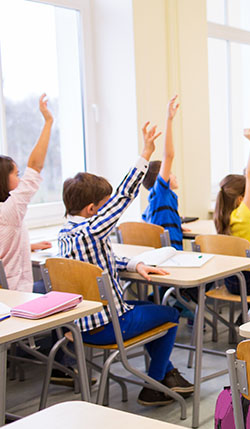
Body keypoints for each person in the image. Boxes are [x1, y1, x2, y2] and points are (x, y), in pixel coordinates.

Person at [59, 122, 193, 406]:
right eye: (104, 206)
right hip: (108, 325)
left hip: (78, 327)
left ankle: (165, 374)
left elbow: (98, 262)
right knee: (169, 315)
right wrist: (145, 152)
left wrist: (134, 264)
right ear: (93, 210)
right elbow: (123, 196)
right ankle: (154, 384)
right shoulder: (91, 230)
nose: (110, 210)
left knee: (149, 310)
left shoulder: (66, 235)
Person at [0, 94, 53, 293]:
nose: (21, 179)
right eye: (16, 174)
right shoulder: (9, 210)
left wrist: (26, 246)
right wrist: (48, 121)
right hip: (17, 294)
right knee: (60, 286)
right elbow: (35, 166)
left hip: (5, 295)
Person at [214, 128, 250, 295]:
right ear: (241, 198)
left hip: (230, 281)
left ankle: (245, 315)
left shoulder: (221, 217)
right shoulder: (243, 214)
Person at [142, 95, 184, 250]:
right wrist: (169, 120)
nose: (174, 175)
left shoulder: (154, 201)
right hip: (172, 256)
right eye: (170, 173)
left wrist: (177, 224)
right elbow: (169, 155)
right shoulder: (161, 194)